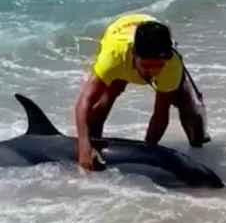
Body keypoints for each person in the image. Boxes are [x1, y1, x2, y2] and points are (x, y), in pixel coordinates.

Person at [75, 13, 210, 170]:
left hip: (155, 34)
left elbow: (160, 115)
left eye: (158, 66)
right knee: (109, 94)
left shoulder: (171, 64)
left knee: (189, 107)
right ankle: (93, 148)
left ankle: (198, 146)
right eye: (146, 66)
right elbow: (85, 101)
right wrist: (84, 145)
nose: (152, 72)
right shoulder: (113, 58)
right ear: (133, 55)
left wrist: (147, 152)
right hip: (119, 32)